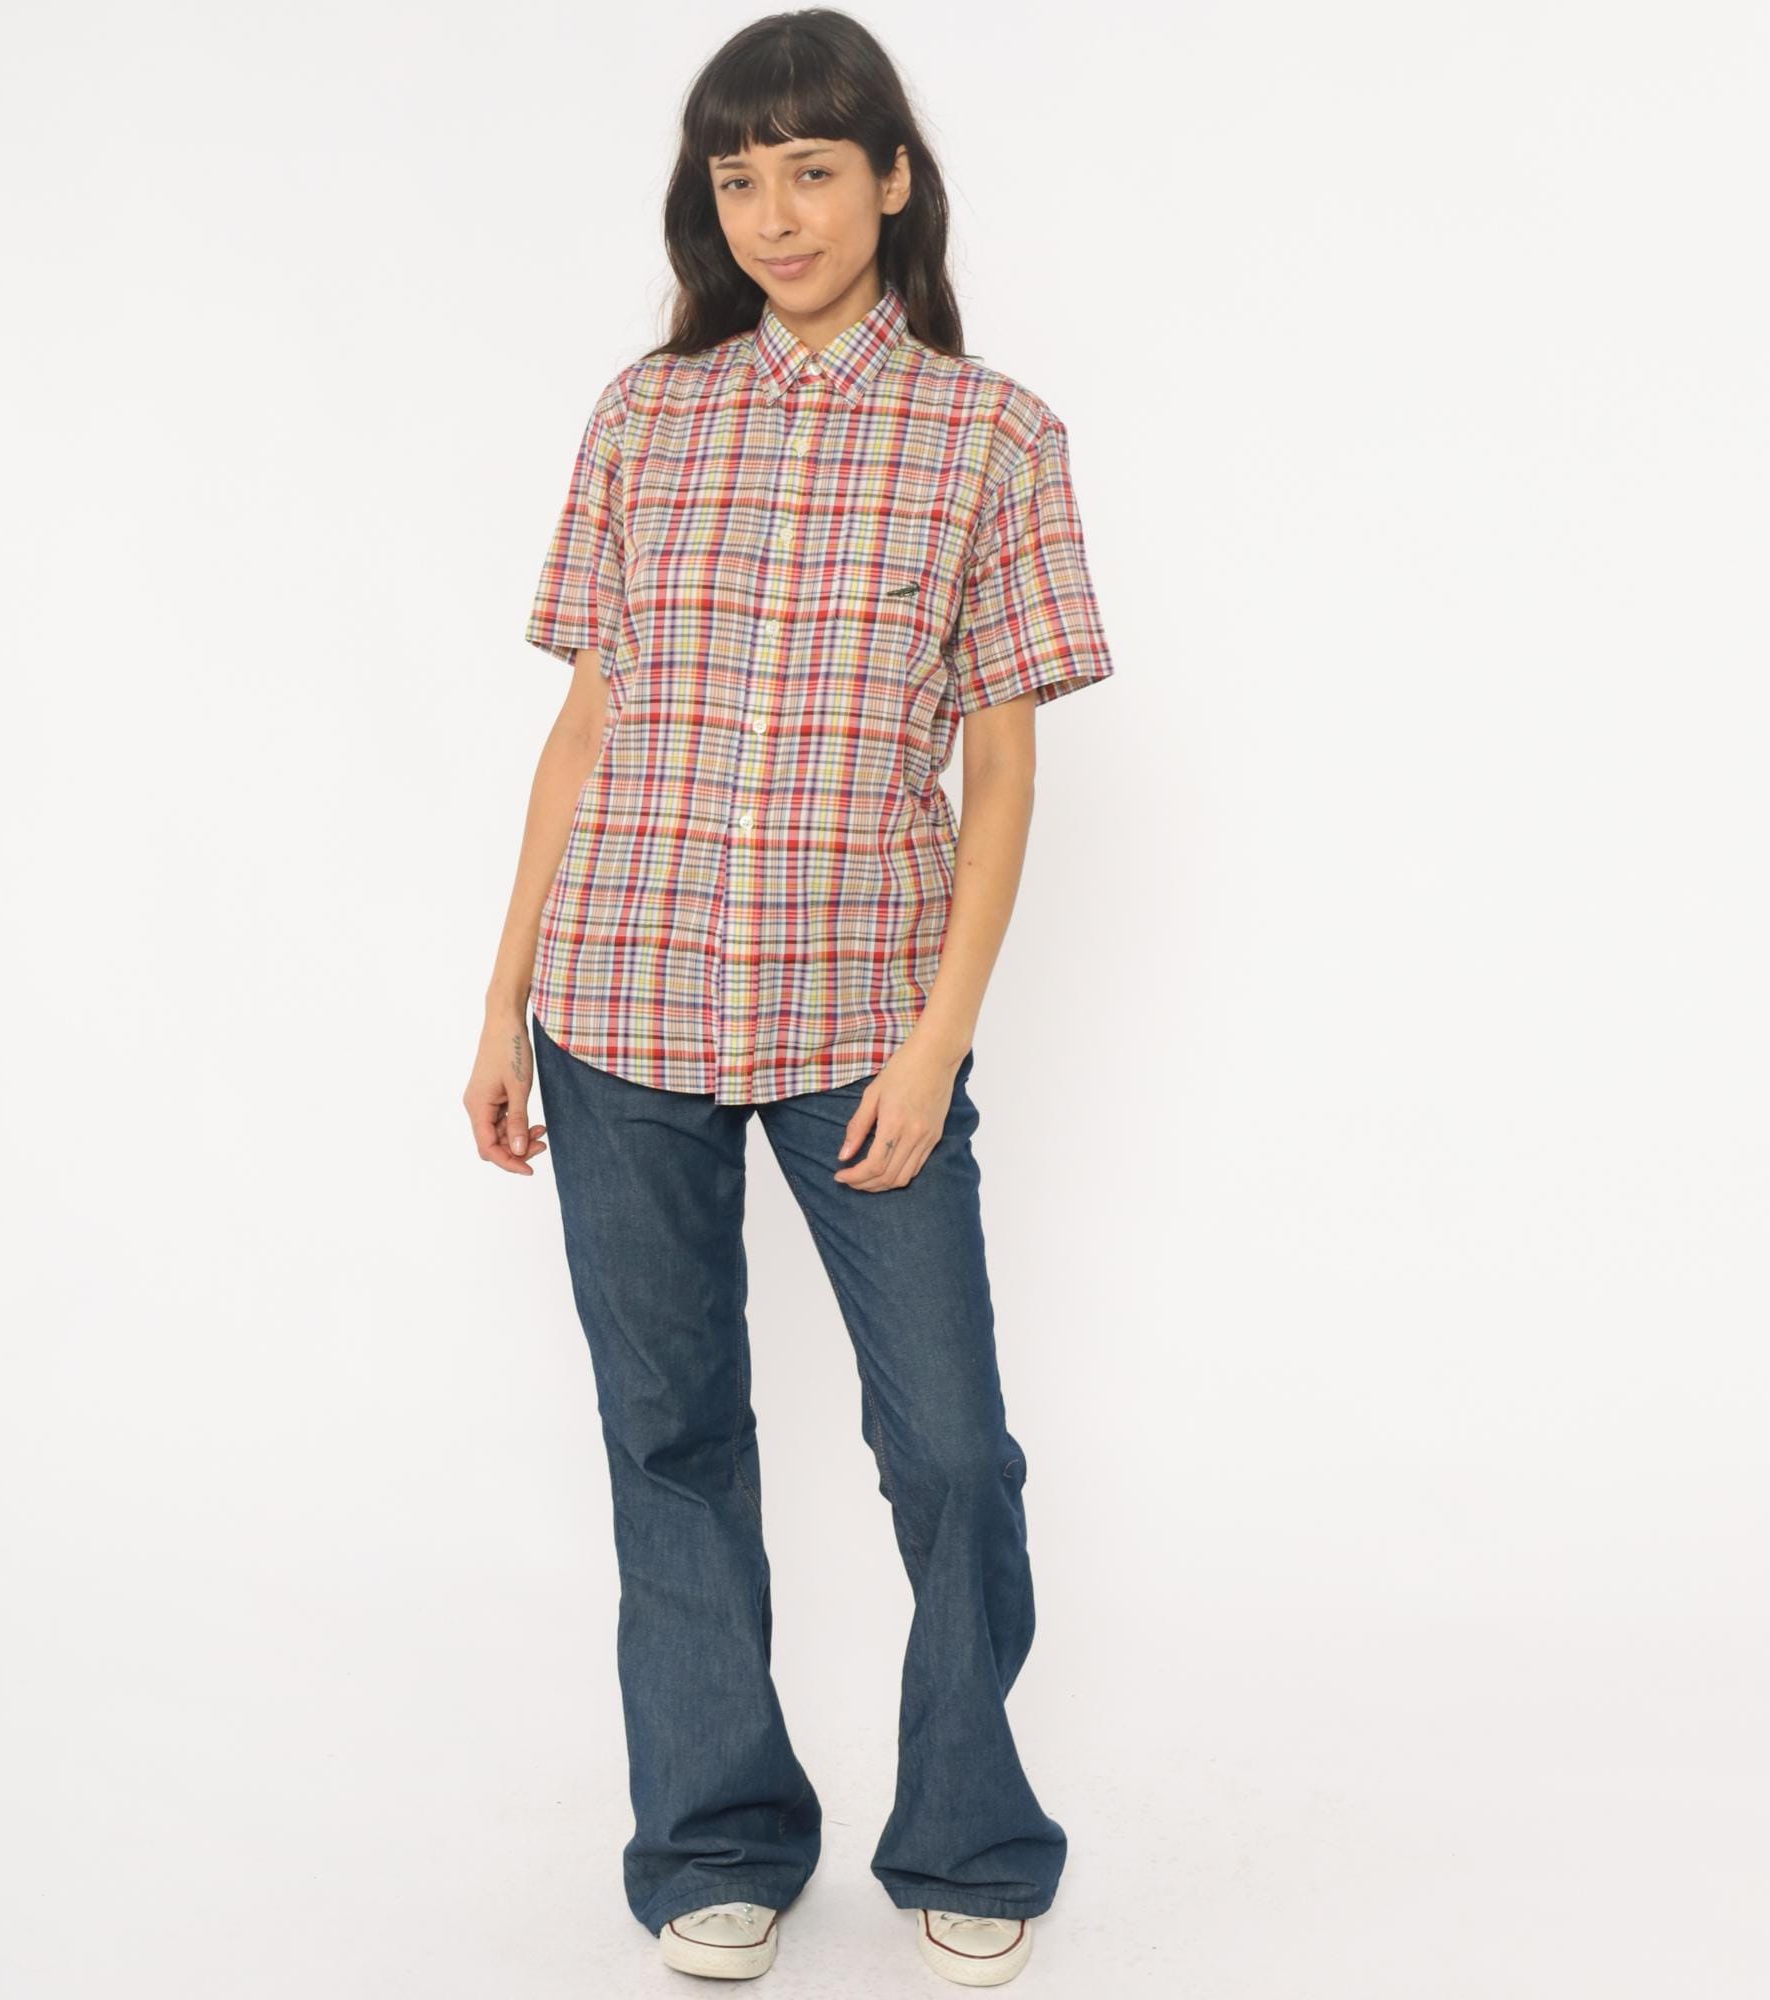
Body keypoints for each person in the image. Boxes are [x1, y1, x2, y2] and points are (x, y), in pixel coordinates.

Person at [467, 10, 1116, 1986]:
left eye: (813, 170)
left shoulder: (993, 434)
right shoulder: (643, 416)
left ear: (892, 182)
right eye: (738, 178)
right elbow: (587, 728)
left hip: (861, 1030)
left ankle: (968, 1829)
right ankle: (716, 1837)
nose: (775, 213)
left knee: (952, 1453)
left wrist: (938, 1037)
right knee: (670, 1438)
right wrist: (501, 998)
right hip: (620, 1008)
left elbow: (1002, 771)